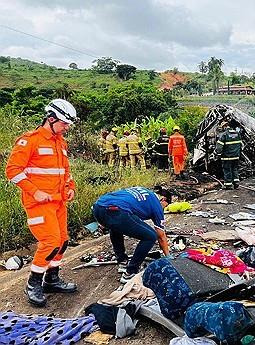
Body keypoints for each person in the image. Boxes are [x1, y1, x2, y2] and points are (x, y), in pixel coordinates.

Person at [5, 99, 78, 307]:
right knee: (50, 242)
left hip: (58, 202)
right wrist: (34, 191)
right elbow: (12, 171)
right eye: (64, 123)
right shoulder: (30, 141)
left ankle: (51, 279)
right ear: (51, 118)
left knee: (63, 240)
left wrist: (70, 187)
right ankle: (33, 283)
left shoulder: (60, 142)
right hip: (39, 203)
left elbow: (65, 171)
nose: (67, 127)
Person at [92, 186, 171, 283]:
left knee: (116, 226)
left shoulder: (144, 191)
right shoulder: (156, 204)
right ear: (163, 199)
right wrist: (168, 257)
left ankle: (122, 262)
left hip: (98, 207)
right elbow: (161, 236)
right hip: (117, 210)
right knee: (150, 236)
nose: (164, 209)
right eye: (165, 206)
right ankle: (130, 272)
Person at [215, 119, 242, 189]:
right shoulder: (238, 134)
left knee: (227, 170)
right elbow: (241, 146)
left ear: (227, 126)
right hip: (236, 156)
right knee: (234, 169)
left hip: (227, 157)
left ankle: (228, 185)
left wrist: (218, 154)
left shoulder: (224, 135)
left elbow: (219, 148)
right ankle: (236, 182)